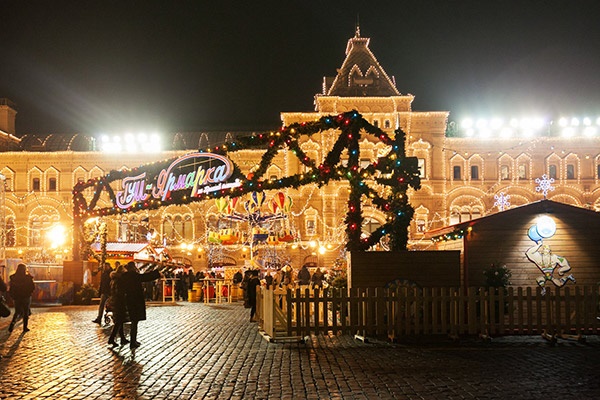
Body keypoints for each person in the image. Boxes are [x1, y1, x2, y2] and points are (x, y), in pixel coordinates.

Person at [120, 261, 161, 349]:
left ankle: (126, 339)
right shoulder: (134, 276)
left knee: (124, 320)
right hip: (135, 301)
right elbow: (146, 277)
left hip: (126, 299)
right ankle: (133, 341)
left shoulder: (124, 276)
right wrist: (157, 273)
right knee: (134, 321)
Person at [8, 263, 35, 333]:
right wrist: (29, 292)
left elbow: (11, 288)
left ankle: (12, 324)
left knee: (17, 312)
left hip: (17, 297)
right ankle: (25, 327)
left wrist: (12, 295)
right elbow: (32, 287)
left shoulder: (13, 278)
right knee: (26, 312)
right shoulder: (28, 278)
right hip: (26, 297)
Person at [107, 263, 129, 347]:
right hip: (119, 302)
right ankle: (111, 339)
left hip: (115, 301)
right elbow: (120, 292)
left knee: (120, 320)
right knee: (119, 321)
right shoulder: (119, 281)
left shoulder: (114, 280)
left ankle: (122, 338)